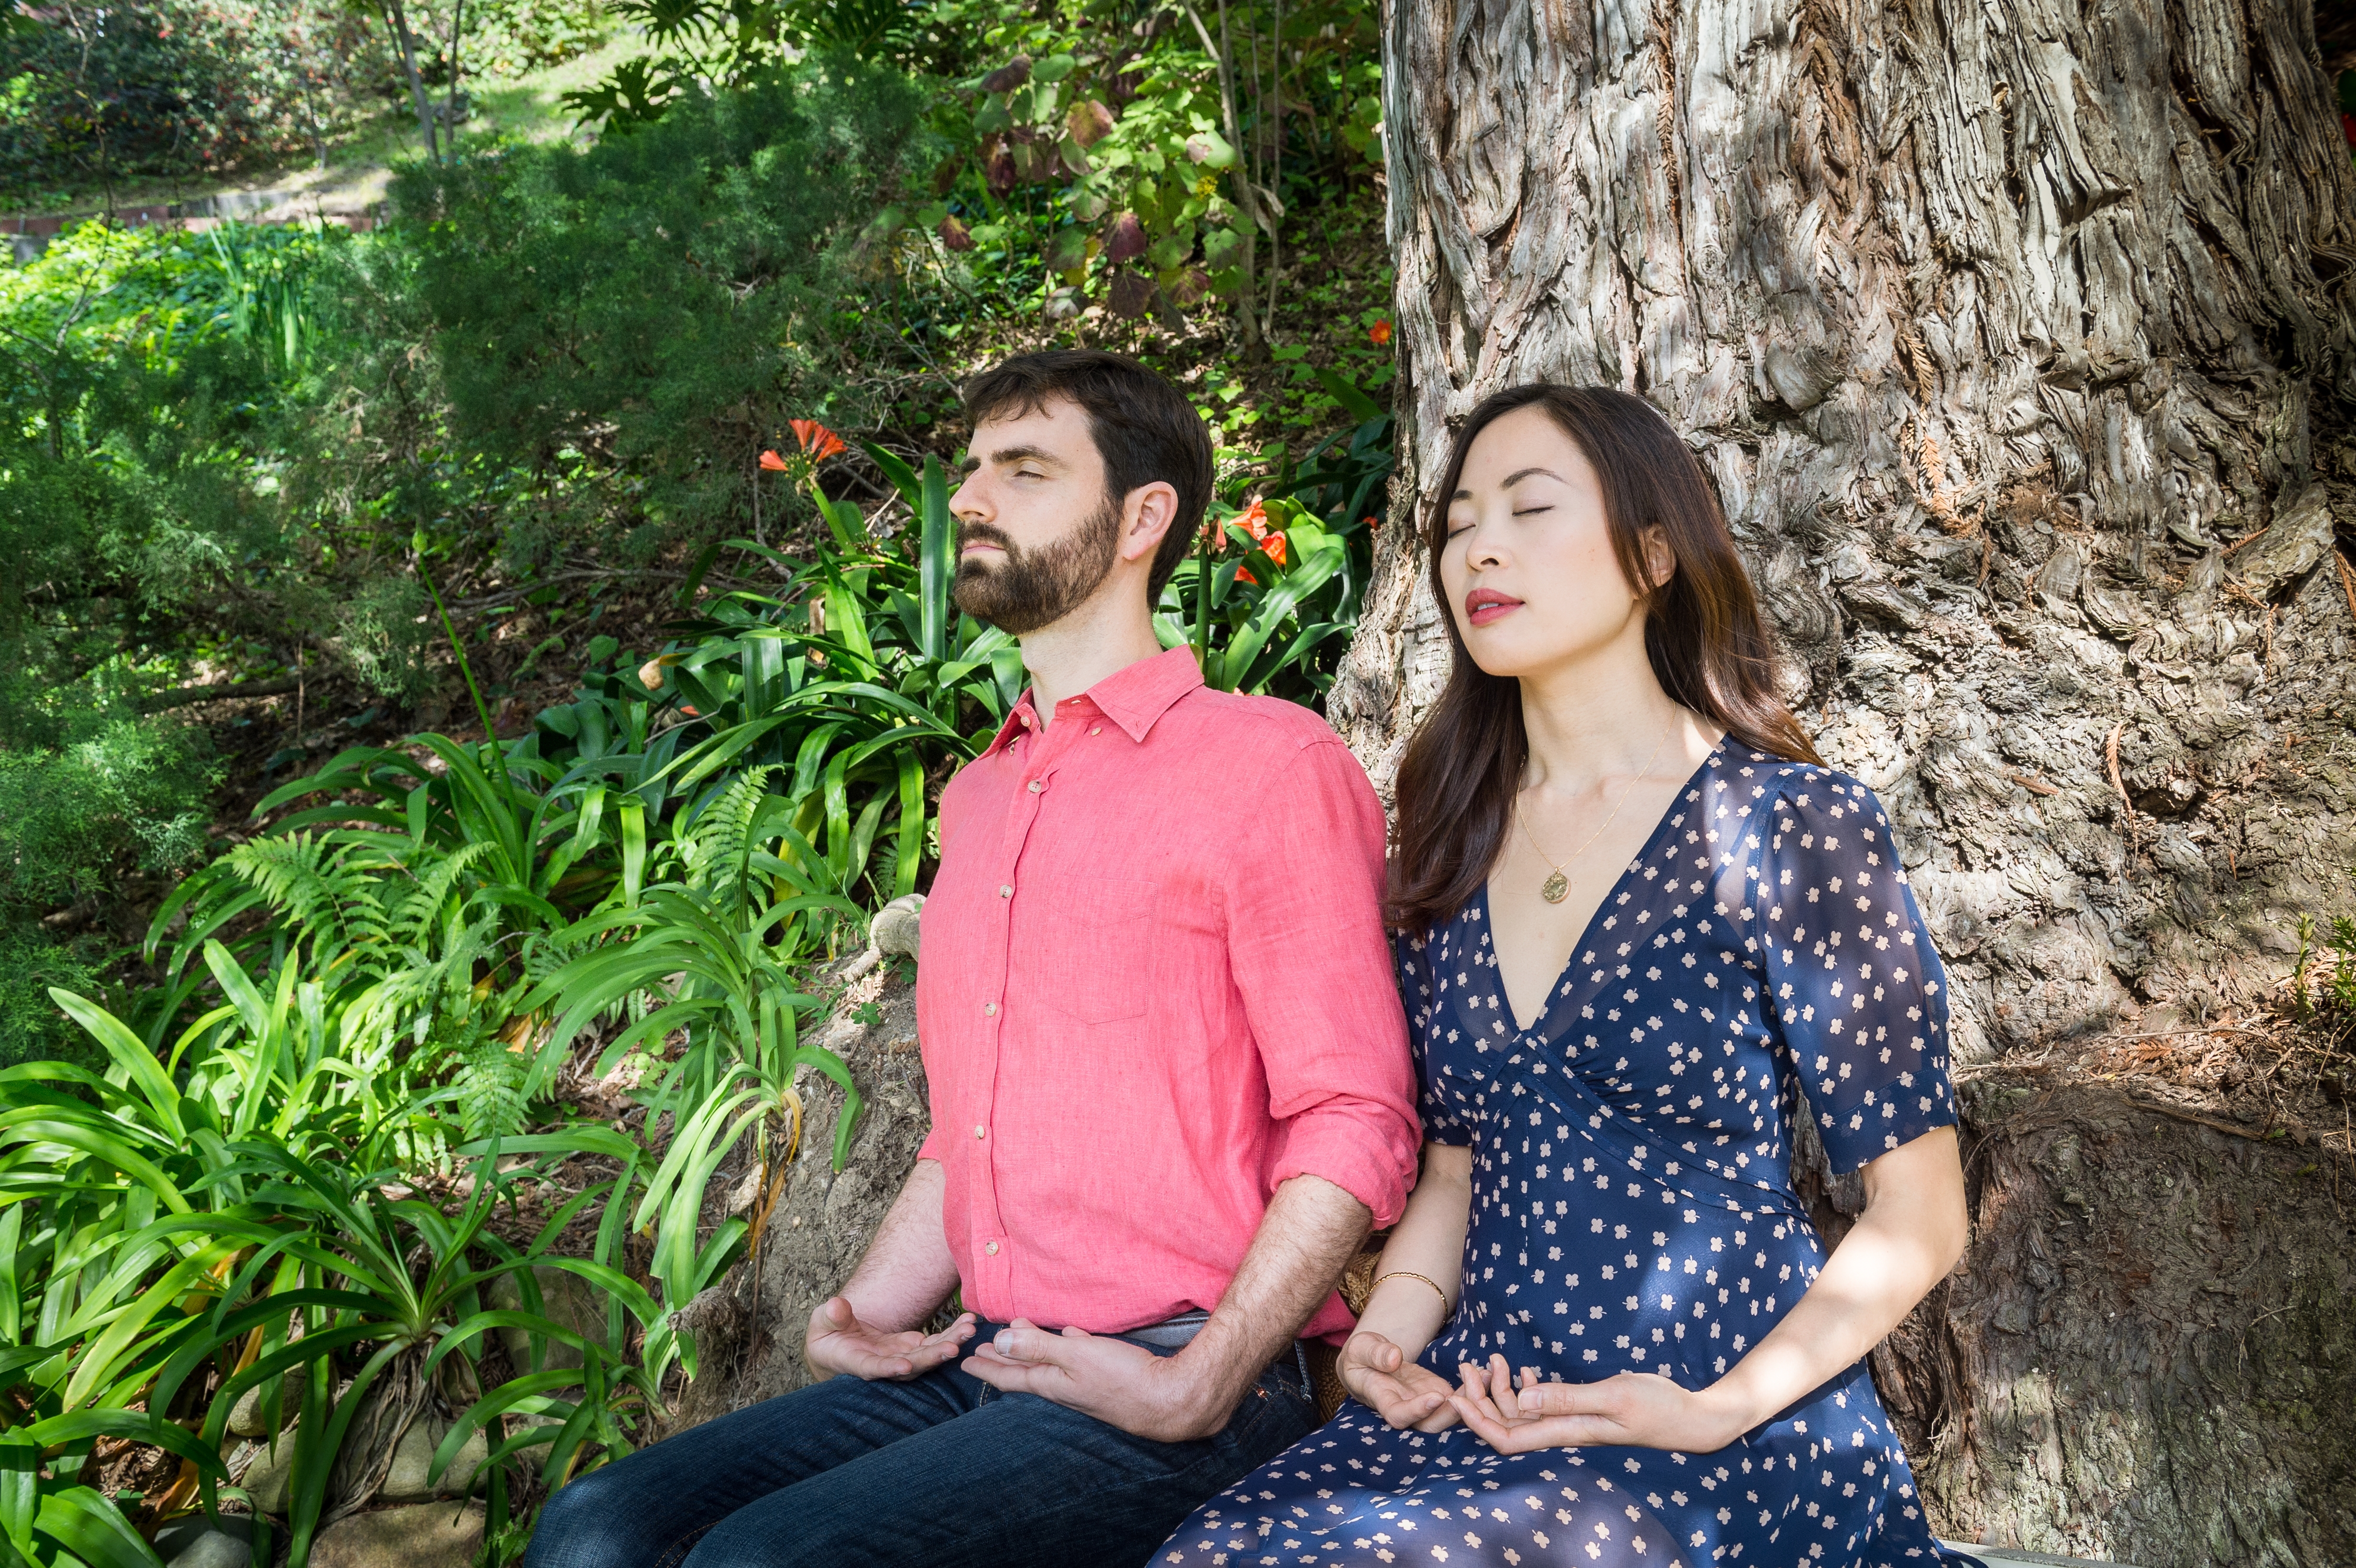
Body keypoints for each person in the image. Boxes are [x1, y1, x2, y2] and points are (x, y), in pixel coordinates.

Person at [524, 348, 1422, 1568]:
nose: (967, 500)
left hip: (1179, 1371)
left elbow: (1356, 1114)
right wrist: (869, 1304)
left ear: (1140, 518)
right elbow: (973, 1126)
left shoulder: (1269, 768)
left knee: (761, 1561)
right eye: (967, 470)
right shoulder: (985, 797)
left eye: (1023, 469)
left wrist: (1203, 1379)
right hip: (988, 1352)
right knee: (596, 1526)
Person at [1157, 384, 1978, 1568]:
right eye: (1456, 522)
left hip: (1719, 1417)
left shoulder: (1792, 825)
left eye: (1528, 508)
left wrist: (1713, 1408)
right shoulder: (1450, 837)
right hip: (1483, 1402)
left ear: (1653, 552)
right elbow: (1453, 1165)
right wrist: (1385, 1341)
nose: (1476, 546)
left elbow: (1920, 1211)